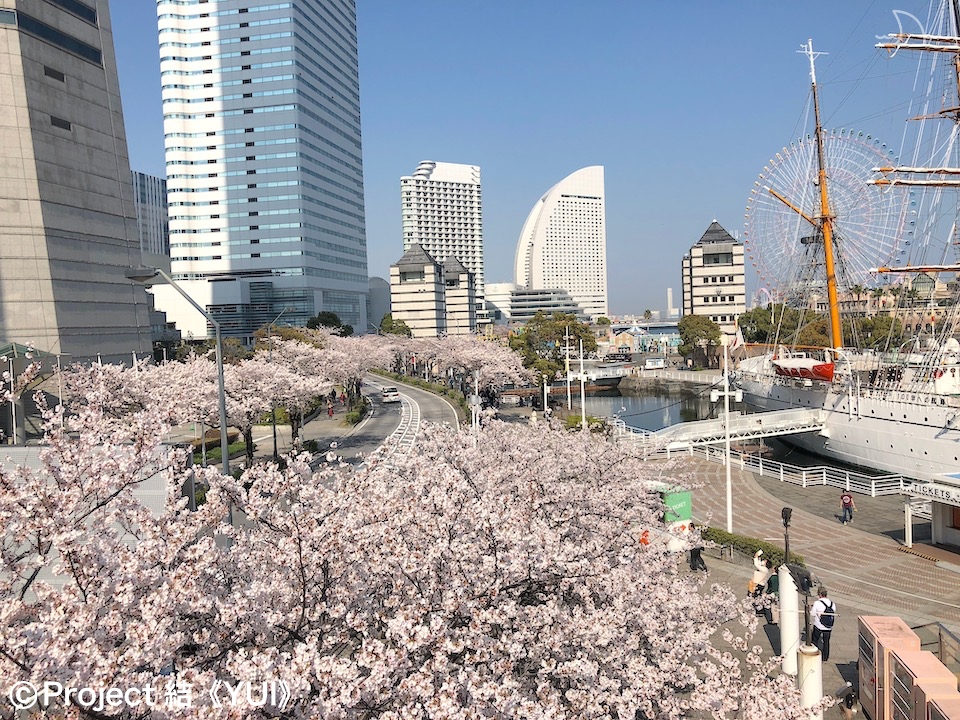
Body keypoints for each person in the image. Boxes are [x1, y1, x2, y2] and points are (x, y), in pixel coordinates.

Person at [811, 587, 837, 661]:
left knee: (815, 640)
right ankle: (825, 657)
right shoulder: (832, 604)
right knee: (826, 642)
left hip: (818, 625)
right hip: (828, 626)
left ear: (819, 594)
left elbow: (812, 613)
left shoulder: (817, 603)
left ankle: (814, 654)